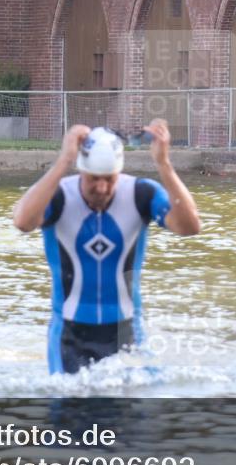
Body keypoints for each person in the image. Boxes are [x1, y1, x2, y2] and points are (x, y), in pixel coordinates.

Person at [13, 118, 201, 374]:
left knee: (145, 403)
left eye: (109, 179)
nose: (101, 188)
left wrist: (163, 164)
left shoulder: (140, 194)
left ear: (119, 172)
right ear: (81, 169)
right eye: (93, 179)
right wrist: (63, 161)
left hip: (126, 331)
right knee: (70, 408)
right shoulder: (57, 196)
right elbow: (23, 221)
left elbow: (190, 227)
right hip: (70, 334)